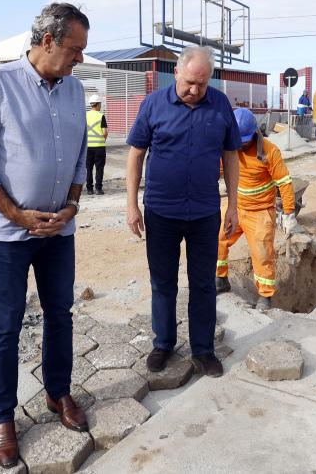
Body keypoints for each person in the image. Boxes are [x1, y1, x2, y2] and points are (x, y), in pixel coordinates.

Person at [0, 2, 91, 468]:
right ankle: (2, 418)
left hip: (59, 229)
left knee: (61, 313)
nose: (79, 60)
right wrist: (16, 214)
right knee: (7, 325)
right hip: (6, 233)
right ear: (48, 40)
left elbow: (79, 158)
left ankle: (58, 393)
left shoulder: (75, 91)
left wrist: (73, 204)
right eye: (74, 50)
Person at [126, 45, 241, 379]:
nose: (194, 90)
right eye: (190, 82)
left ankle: (203, 350)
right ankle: (163, 344)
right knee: (163, 282)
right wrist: (132, 204)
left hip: (205, 212)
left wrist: (232, 203)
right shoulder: (153, 105)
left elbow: (231, 155)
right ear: (176, 73)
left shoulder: (220, 105)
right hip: (161, 211)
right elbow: (135, 156)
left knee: (204, 283)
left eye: (202, 85)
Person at [216, 108, 298, 311]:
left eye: (244, 140)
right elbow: (216, 171)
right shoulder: (228, 148)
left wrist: (289, 213)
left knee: (262, 254)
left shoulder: (270, 151)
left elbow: (285, 182)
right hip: (235, 208)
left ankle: (264, 296)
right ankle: (220, 279)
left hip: (260, 212)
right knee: (217, 241)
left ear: (255, 133)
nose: (241, 144)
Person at [85, 94, 108, 195]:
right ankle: (98, 188)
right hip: (99, 147)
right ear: (98, 104)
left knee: (88, 168)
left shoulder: (85, 115)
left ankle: (89, 189)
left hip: (87, 147)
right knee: (99, 168)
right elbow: (105, 132)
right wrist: (101, 139)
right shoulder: (101, 116)